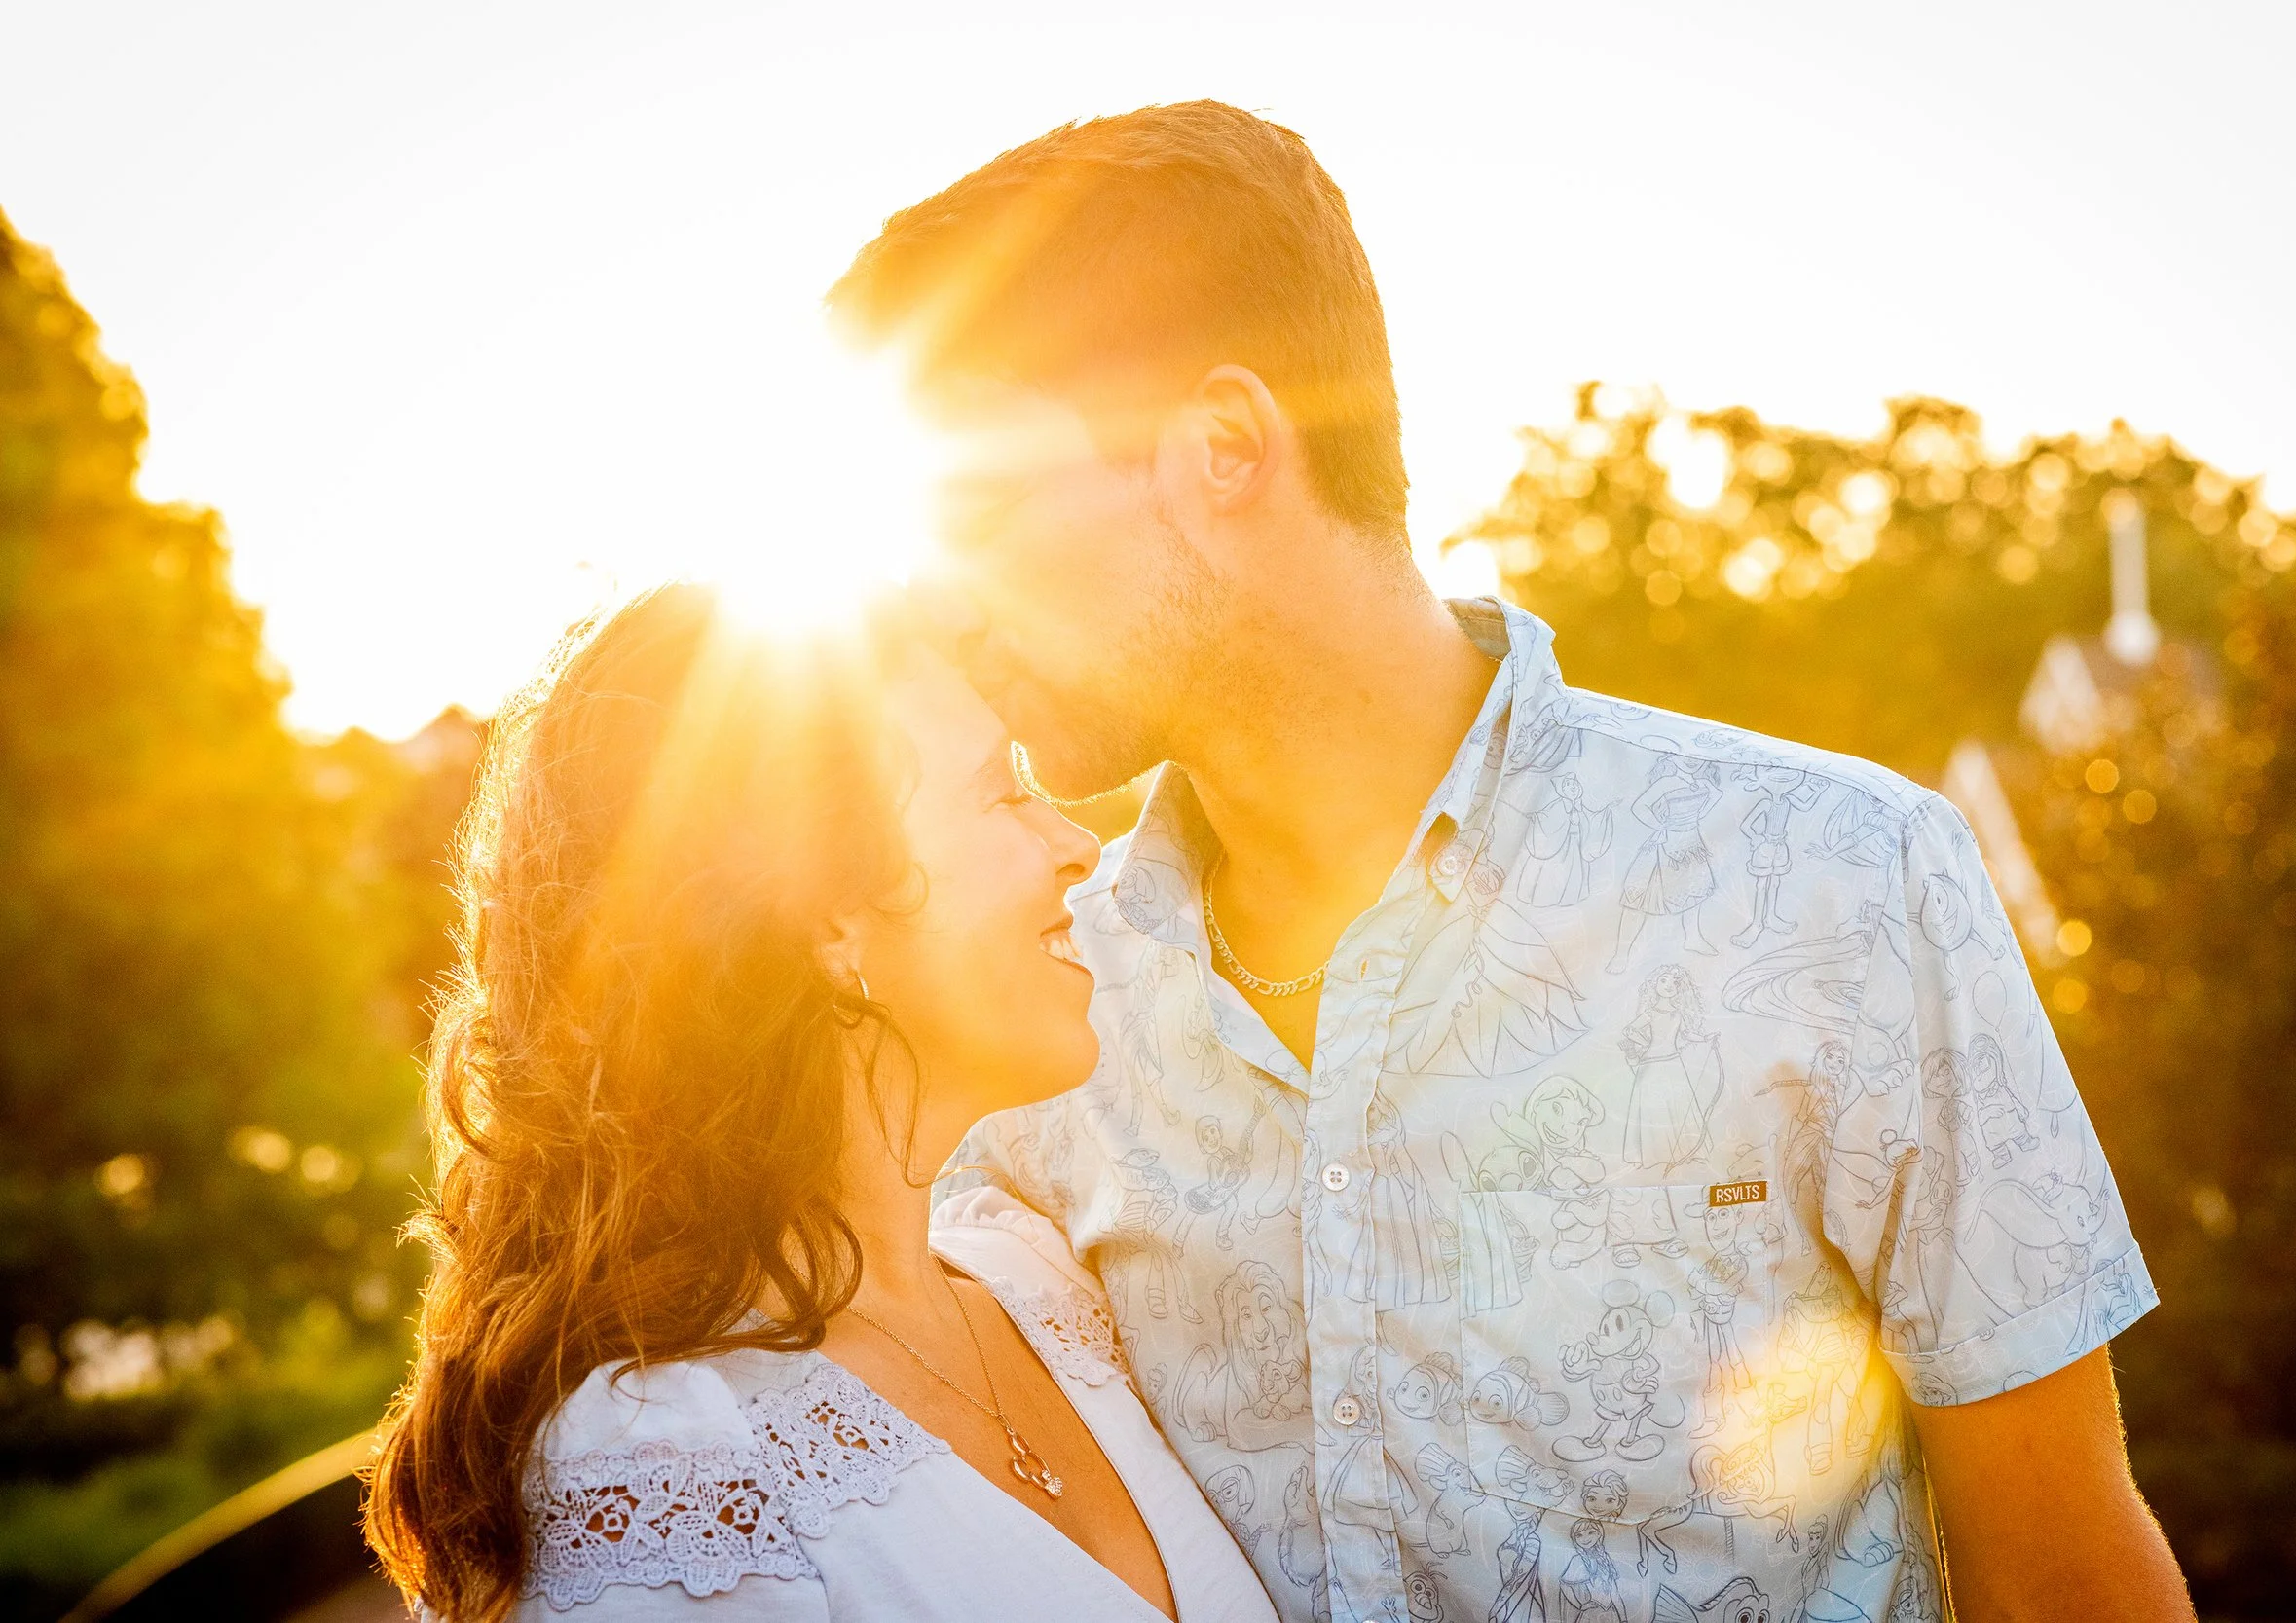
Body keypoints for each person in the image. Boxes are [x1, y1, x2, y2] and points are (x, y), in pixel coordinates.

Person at [830, 101, 2197, 1622]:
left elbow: (2069, 1575)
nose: (936, 603)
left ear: (1223, 447)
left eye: (975, 508)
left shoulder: (1848, 881)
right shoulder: (1028, 1018)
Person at [363, 585, 1279, 1623]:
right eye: (1000, 792)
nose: (1078, 844)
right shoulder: (659, 1462)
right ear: (827, 923)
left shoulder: (1042, 1287)